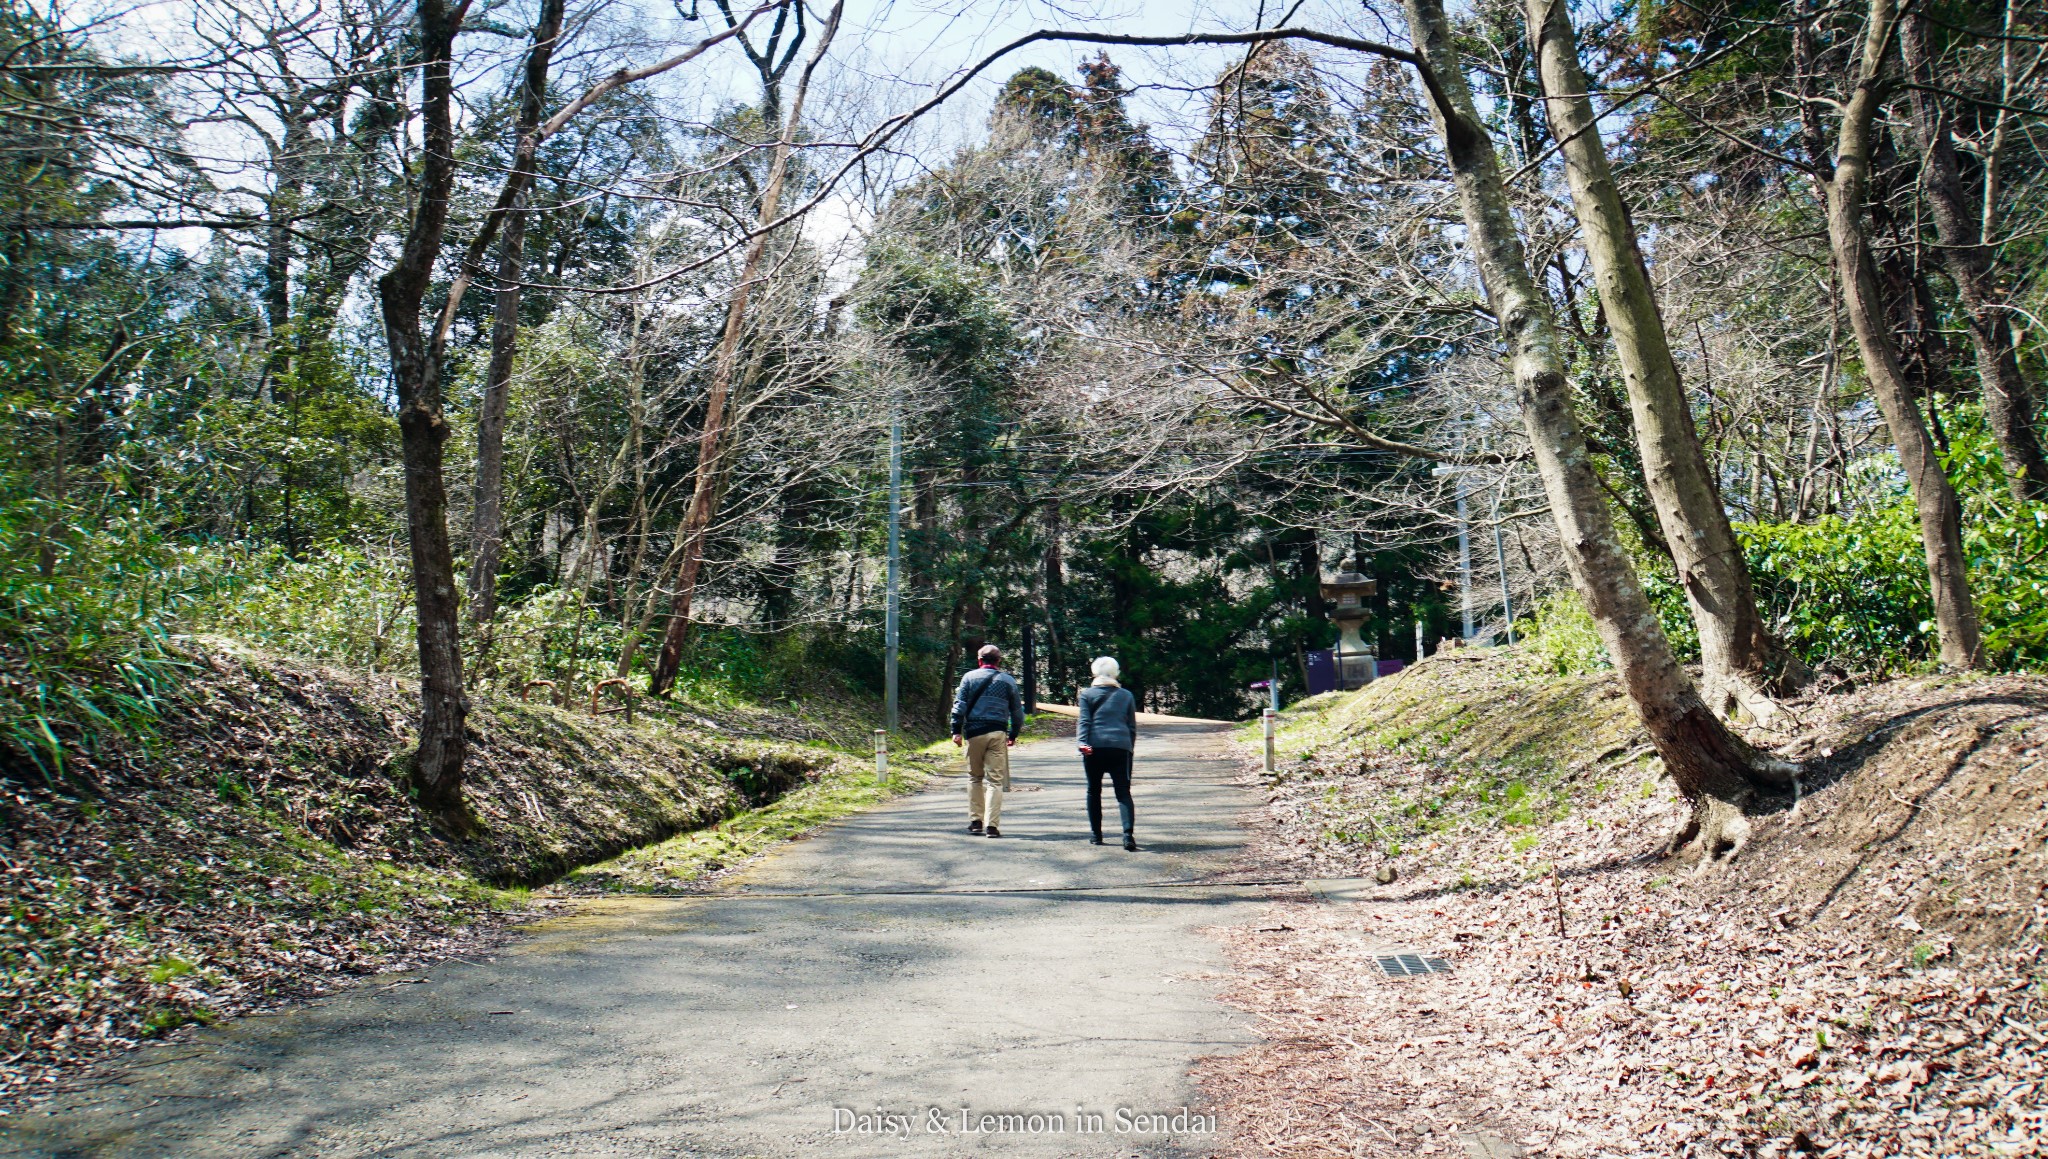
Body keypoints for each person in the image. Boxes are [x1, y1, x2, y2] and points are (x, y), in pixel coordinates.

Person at [950, 643, 1025, 837]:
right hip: (997, 733)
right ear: (999, 661)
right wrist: (1013, 733)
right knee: (995, 781)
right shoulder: (1008, 681)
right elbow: (1017, 712)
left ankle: (976, 822)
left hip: (974, 733)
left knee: (975, 777)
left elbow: (959, 706)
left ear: (979, 660)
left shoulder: (969, 678)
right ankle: (992, 826)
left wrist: (956, 730)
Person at [1076, 656, 1139, 851]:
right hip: (1121, 747)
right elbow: (1132, 726)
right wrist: (1129, 747)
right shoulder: (1126, 695)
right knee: (1123, 792)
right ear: (1116, 673)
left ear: (1094, 673)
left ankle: (1096, 835)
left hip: (1093, 747)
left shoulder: (1087, 695)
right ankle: (1128, 836)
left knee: (1093, 791)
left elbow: (1085, 721)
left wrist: (1082, 742)